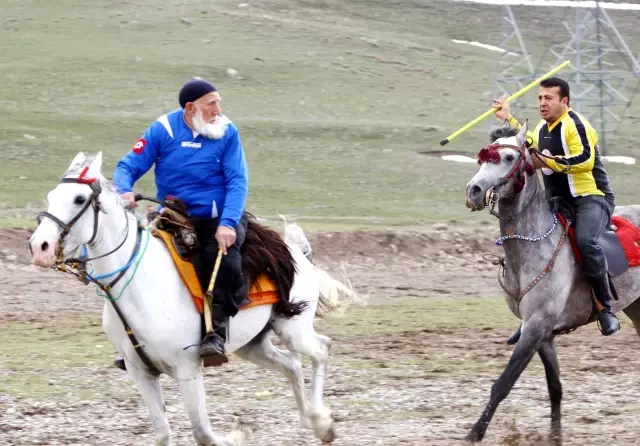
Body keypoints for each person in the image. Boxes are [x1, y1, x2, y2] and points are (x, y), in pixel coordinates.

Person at [111, 77, 249, 369]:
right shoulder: (164, 129)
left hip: (216, 218)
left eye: (218, 102)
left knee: (222, 261)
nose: (218, 109)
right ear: (190, 108)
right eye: (211, 103)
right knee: (138, 262)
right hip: (173, 215)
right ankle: (139, 342)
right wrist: (123, 189)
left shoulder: (227, 131)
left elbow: (238, 180)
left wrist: (228, 223)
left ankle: (216, 334)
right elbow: (128, 165)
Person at [493, 77, 619, 343]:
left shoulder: (576, 125)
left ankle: (605, 307)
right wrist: (508, 118)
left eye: (548, 98)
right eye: (540, 98)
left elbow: (586, 159)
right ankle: (533, 315)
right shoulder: (542, 128)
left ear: (565, 101)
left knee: (586, 242)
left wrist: (550, 161)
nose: (542, 103)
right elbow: (528, 141)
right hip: (559, 200)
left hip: (591, 198)